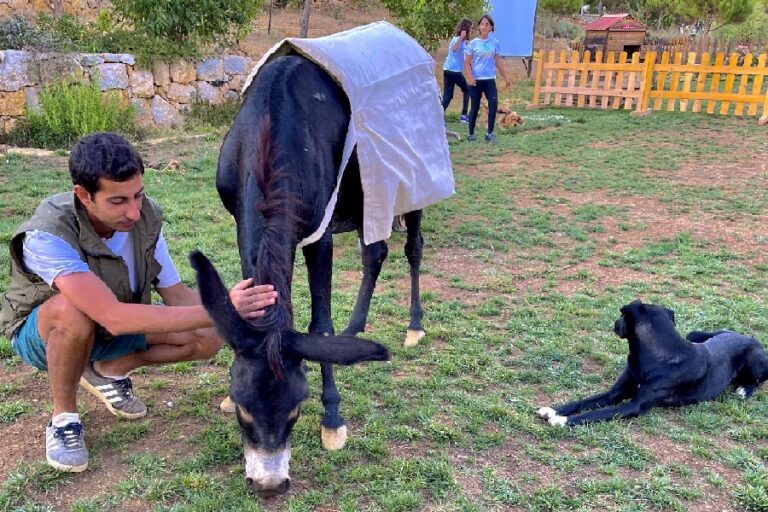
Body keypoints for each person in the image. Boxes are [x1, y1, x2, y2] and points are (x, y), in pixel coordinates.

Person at [0, 132, 277, 473]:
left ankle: (108, 371)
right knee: (72, 312)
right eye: (118, 201)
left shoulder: (146, 219)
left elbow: (175, 295)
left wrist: (239, 327)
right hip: (44, 336)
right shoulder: (47, 235)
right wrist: (223, 309)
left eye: (138, 195)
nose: (133, 212)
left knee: (208, 334)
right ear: (84, 195)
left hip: (109, 329)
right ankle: (64, 419)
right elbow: (112, 316)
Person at [463, 14, 511, 143]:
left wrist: (506, 77)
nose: (484, 27)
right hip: (476, 81)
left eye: (487, 24)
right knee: (474, 107)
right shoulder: (473, 44)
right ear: (479, 27)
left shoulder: (494, 43)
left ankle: (489, 134)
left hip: (489, 79)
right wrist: (470, 77)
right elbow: (466, 64)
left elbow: (498, 62)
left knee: (493, 105)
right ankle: (471, 134)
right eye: (482, 24)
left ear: (491, 28)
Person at [441, 18, 473, 123]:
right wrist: (462, 37)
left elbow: (465, 58)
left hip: (448, 70)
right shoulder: (457, 39)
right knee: (467, 89)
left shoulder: (462, 42)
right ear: (465, 29)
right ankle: (464, 116)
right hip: (453, 71)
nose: (471, 30)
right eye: (470, 28)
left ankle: (438, 116)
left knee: (448, 96)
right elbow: (454, 49)